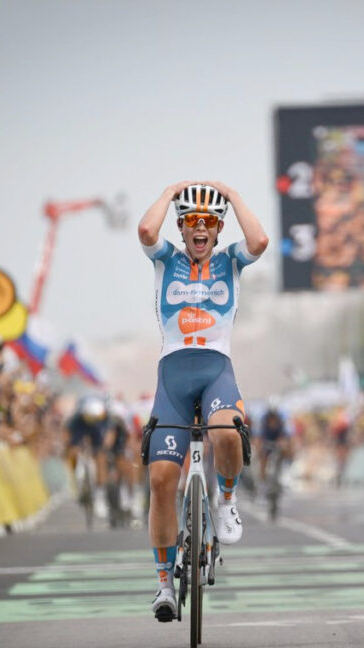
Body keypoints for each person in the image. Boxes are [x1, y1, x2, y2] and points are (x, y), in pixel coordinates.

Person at [137, 180, 268, 621]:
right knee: (160, 481)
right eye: (191, 221)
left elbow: (260, 240)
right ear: (180, 226)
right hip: (172, 374)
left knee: (228, 433)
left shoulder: (231, 259)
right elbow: (144, 231)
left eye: (208, 222)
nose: (200, 228)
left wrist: (231, 196)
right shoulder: (167, 259)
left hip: (216, 369)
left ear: (218, 228)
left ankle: (226, 501)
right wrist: (170, 191)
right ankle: (162, 585)